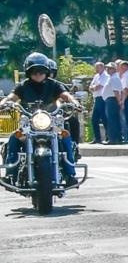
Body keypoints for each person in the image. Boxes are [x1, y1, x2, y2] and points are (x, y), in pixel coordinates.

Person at [3, 52, 80, 185]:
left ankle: (70, 174)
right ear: (28, 72)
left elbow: (66, 95)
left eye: (41, 71)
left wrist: (74, 103)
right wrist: (4, 103)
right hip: (29, 123)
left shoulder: (54, 85)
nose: (38, 74)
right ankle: (10, 173)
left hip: (51, 123)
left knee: (66, 137)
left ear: (47, 71)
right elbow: (11, 97)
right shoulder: (23, 86)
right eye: (34, 71)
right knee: (13, 138)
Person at [89, 60, 113, 144]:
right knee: (94, 119)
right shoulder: (96, 76)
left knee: (104, 118)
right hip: (96, 98)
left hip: (102, 98)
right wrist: (94, 87)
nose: (96, 69)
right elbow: (90, 87)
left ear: (102, 67)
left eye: (98, 67)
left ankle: (108, 137)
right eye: (95, 67)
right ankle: (97, 138)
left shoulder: (106, 76)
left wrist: (94, 87)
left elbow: (100, 86)